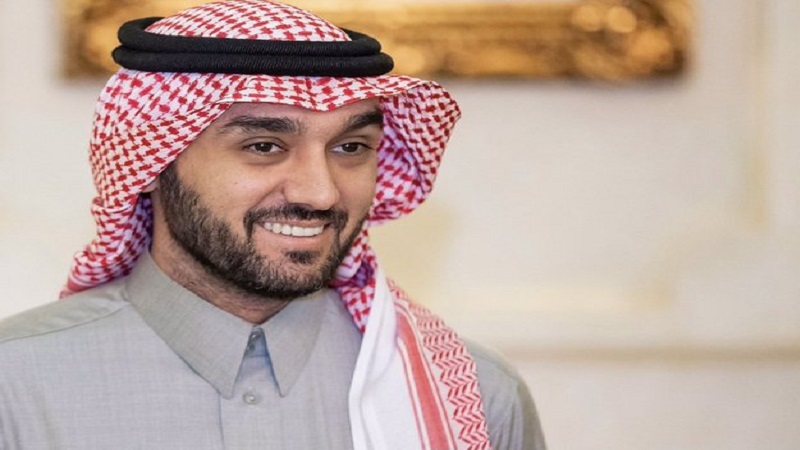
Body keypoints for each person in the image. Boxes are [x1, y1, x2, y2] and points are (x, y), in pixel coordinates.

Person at [0, 0, 545, 449]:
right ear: (152, 163)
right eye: (264, 146)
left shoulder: (471, 397)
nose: (320, 192)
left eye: (351, 147)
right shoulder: (16, 387)